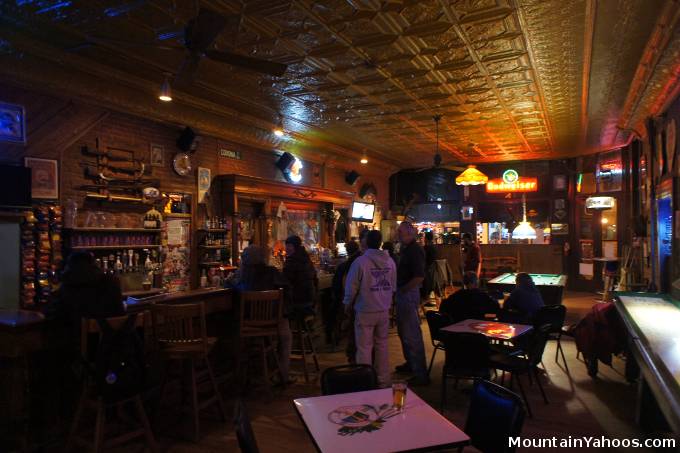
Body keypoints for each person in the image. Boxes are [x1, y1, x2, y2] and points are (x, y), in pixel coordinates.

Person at [232, 245, 293, 384]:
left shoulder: (241, 276)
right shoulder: (272, 272)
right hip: (273, 322)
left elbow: (228, 286)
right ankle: (283, 374)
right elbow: (288, 291)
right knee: (286, 337)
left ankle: (242, 377)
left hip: (247, 325)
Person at [343, 230, 396, 387]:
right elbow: (392, 287)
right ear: (380, 242)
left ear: (366, 241)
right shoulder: (390, 262)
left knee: (364, 348)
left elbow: (351, 287)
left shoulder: (360, 262)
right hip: (383, 309)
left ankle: (364, 381)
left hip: (365, 309)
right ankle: (383, 379)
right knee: (382, 345)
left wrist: (347, 305)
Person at [394, 221, 429, 385]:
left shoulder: (415, 250)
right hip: (404, 293)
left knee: (412, 334)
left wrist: (402, 290)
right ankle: (411, 364)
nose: (397, 235)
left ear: (410, 233)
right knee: (404, 332)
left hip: (408, 294)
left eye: (400, 233)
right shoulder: (406, 249)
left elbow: (419, 277)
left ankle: (420, 373)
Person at [58, 251, 125, 334]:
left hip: (79, 341)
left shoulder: (68, 285)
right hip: (111, 340)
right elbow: (119, 312)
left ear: (70, 266)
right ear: (93, 263)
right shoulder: (111, 281)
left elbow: (61, 314)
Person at [328, 240, 361, 345]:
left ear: (347, 251)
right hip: (361, 300)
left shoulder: (345, 266)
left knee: (331, 306)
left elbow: (337, 286)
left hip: (348, 301)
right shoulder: (362, 262)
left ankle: (330, 335)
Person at [283, 235, 318, 317]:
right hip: (310, 298)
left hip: (299, 300)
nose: (287, 248)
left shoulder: (292, 261)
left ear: (295, 246)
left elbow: (286, 280)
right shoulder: (305, 258)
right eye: (286, 246)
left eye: (289, 246)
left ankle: (285, 329)